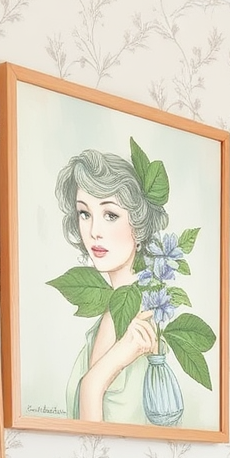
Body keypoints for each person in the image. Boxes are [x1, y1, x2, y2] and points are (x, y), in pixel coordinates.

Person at [54, 149, 168, 423]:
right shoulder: (112, 312)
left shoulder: (149, 318)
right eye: (84, 213)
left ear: (138, 224)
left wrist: (99, 377)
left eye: (110, 215)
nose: (94, 230)